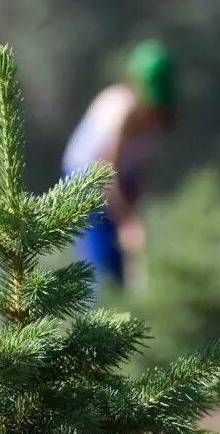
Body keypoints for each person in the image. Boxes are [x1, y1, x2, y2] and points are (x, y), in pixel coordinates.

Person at [62, 40, 177, 288]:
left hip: (121, 182)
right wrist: (125, 221)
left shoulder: (159, 117)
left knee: (123, 267)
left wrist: (133, 214)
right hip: (86, 180)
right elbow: (103, 172)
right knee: (101, 264)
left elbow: (144, 168)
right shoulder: (119, 108)